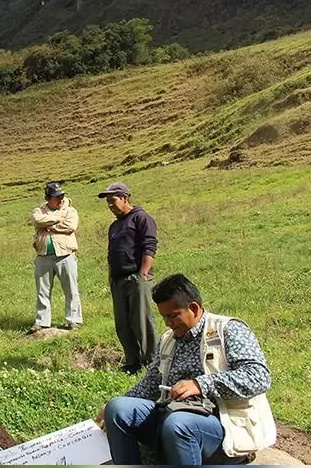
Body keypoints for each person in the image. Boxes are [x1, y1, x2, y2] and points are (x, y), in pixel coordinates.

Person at [95, 274, 276, 465]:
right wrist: (118, 403)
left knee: (178, 425)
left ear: (194, 308)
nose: (167, 322)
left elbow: (259, 377)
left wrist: (200, 384)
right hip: (171, 416)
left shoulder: (228, 330)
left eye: (172, 316)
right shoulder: (168, 339)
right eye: (164, 316)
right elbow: (151, 382)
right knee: (118, 408)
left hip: (220, 425)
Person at [98, 182, 158, 373]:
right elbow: (111, 254)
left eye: (113, 200)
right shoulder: (115, 226)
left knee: (141, 321)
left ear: (125, 198)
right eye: (108, 202)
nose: (110, 205)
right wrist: (111, 278)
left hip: (136, 277)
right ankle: (132, 362)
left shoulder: (141, 217)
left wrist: (143, 274)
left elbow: (150, 246)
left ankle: (151, 362)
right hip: (118, 280)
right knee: (122, 323)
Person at [28, 181, 82, 333]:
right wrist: (59, 218)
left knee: (71, 289)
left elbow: (70, 226)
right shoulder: (39, 211)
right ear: (48, 198)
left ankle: (73, 320)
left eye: (61, 196)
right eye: (56, 197)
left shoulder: (70, 210)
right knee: (42, 290)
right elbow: (37, 220)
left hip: (65, 254)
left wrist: (50, 227)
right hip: (43, 255)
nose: (60, 199)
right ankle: (42, 321)